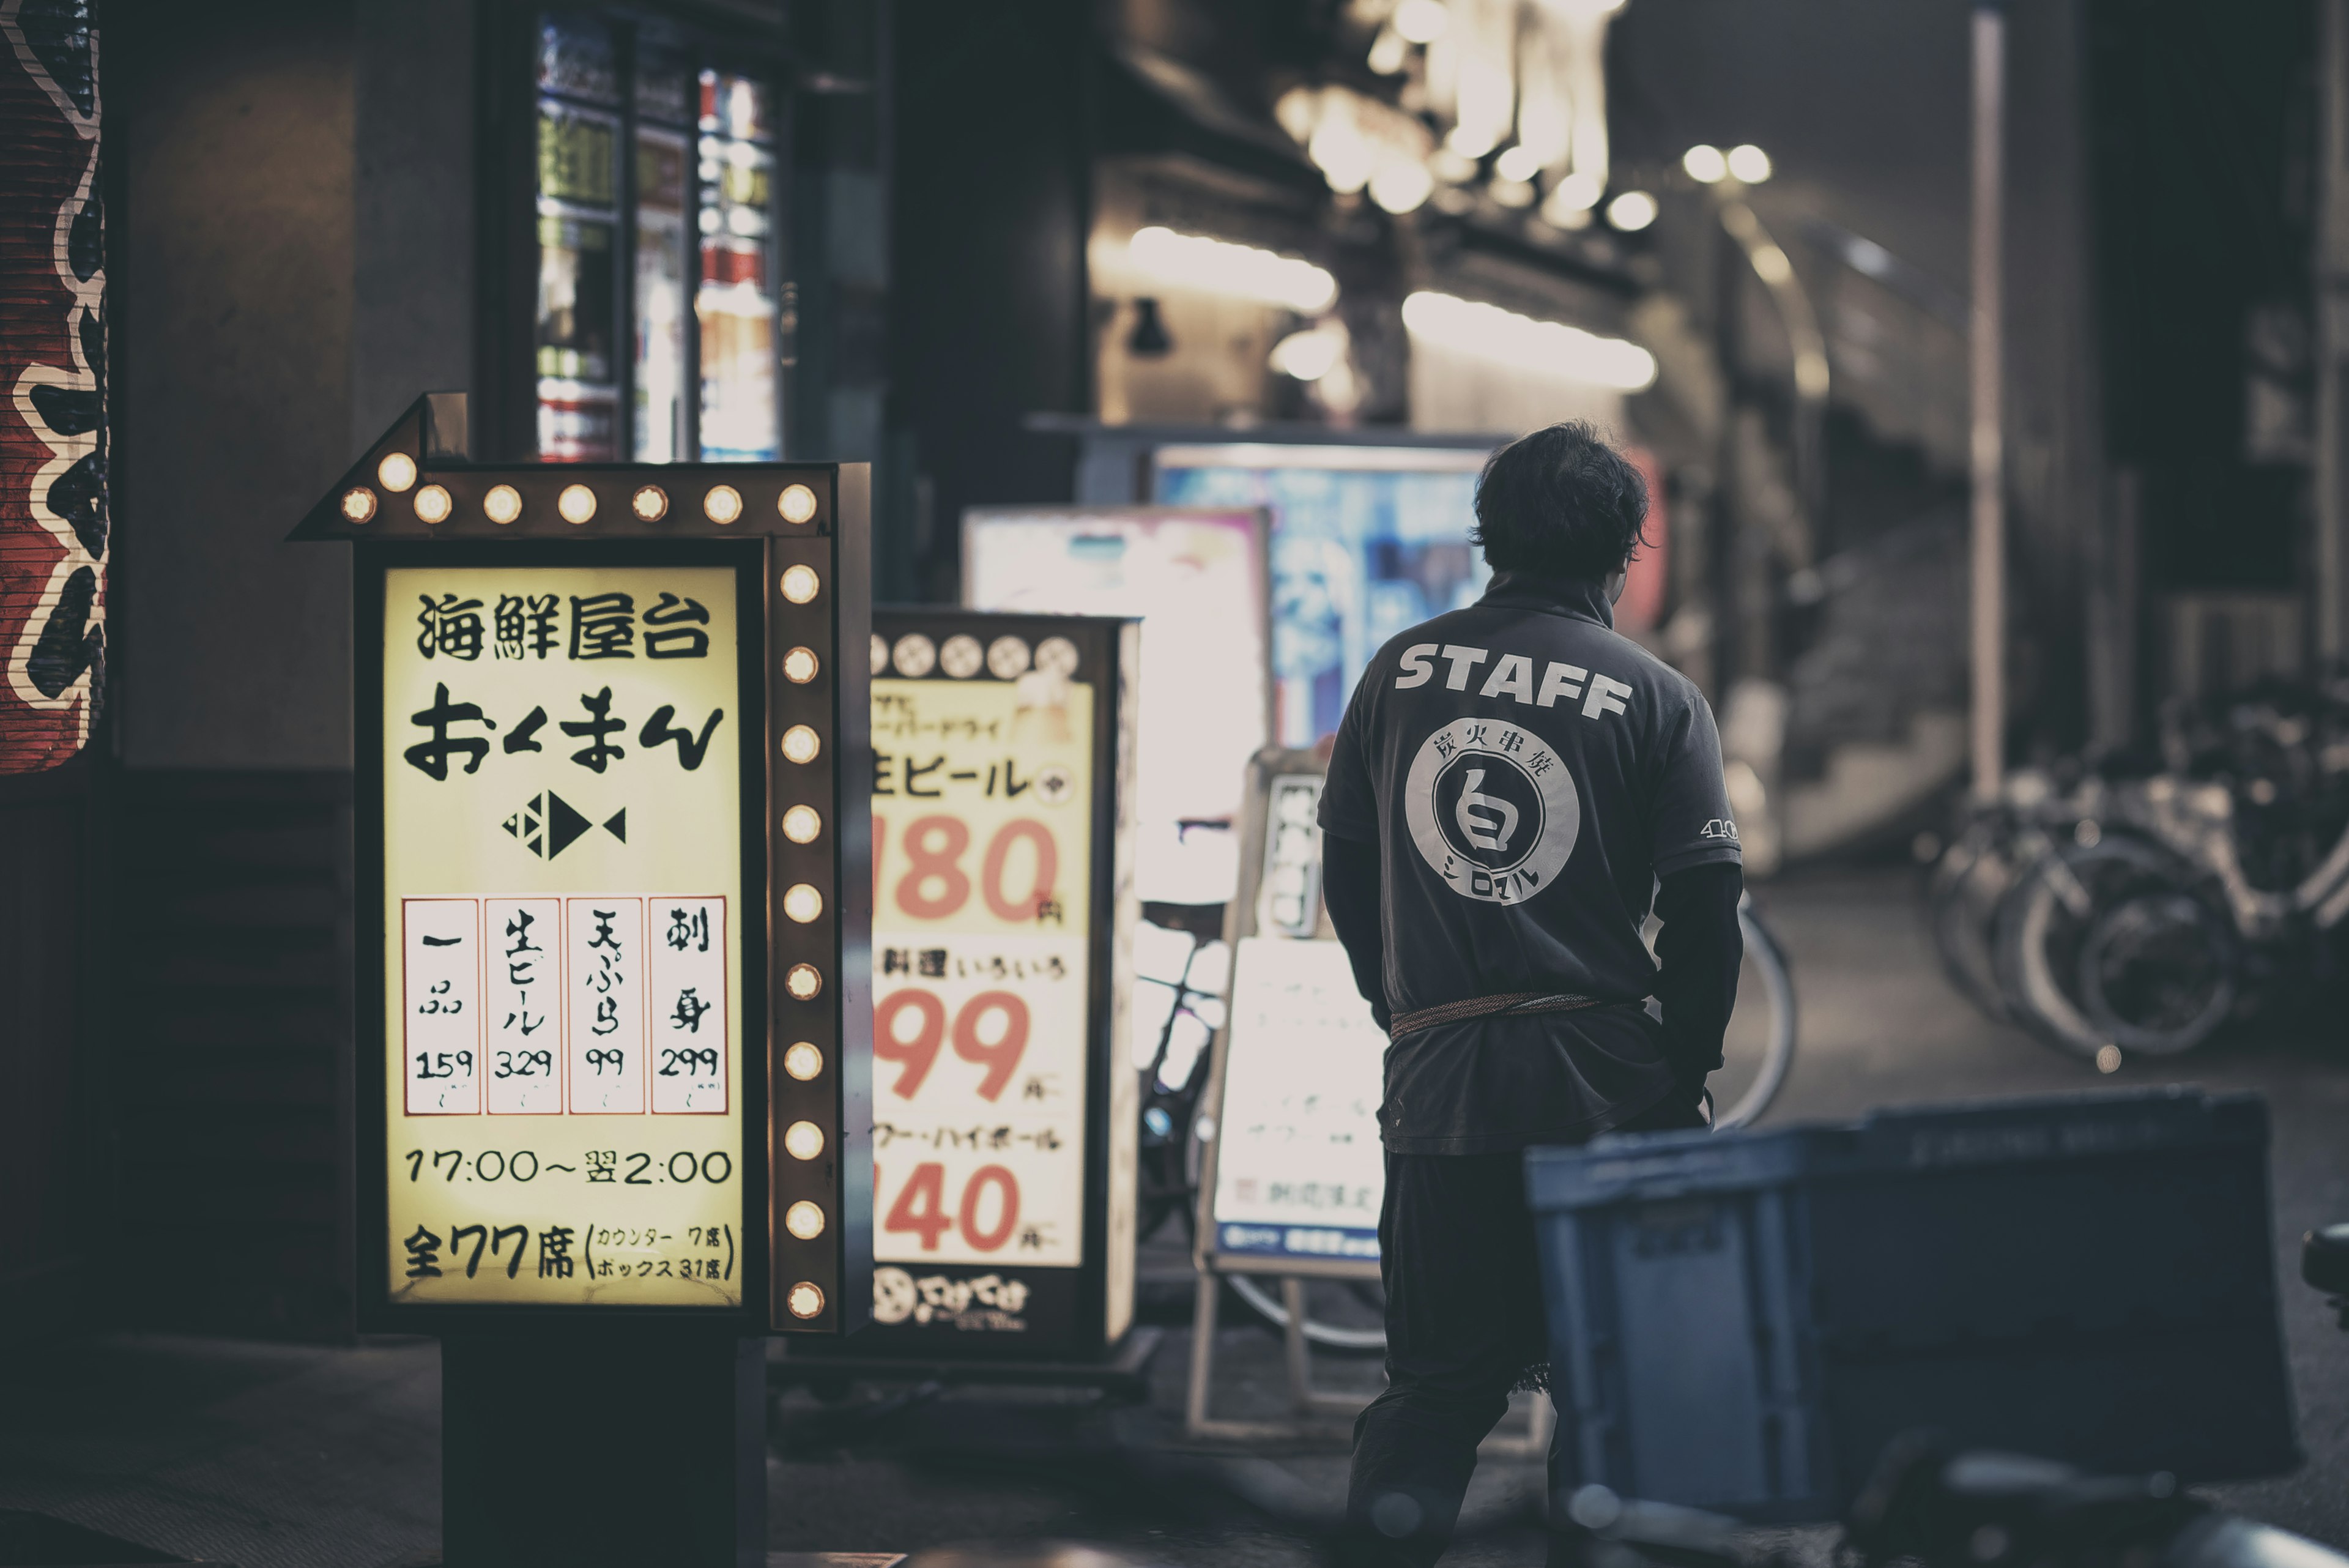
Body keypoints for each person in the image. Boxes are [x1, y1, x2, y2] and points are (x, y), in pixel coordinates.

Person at [1318, 421, 1745, 1567]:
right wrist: (1682, 1071)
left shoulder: (1399, 669)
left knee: (1433, 1394)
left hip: (1441, 1091)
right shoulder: (1657, 697)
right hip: (1606, 1100)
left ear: (1488, 539)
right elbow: (1708, 907)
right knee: (1608, 1394)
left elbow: (1346, 867)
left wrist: (1400, 1009)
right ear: (1623, 552)